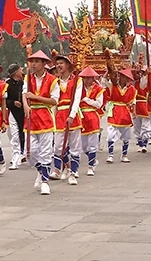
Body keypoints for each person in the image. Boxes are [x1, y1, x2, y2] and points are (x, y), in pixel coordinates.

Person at [24, 51, 59, 195]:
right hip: (31, 117)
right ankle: (40, 171)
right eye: (32, 61)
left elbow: (53, 100)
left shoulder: (52, 80)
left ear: (44, 64)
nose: (34, 64)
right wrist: (26, 105)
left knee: (45, 151)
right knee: (30, 152)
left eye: (37, 61)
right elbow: (24, 94)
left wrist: (36, 97)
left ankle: (45, 181)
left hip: (45, 116)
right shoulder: (28, 78)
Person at [52, 54, 83, 184]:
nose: (59, 66)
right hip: (59, 114)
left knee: (75, 146)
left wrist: (72, 115)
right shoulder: (55, 82)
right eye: (57, 63)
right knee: (58, 146)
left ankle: (73, 172)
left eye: (61, 63)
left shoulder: (77, 80)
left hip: (72, 114)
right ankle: (59, 169)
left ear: (68, 65)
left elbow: (77, 98)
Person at [105, 66, 137, 164]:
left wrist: (134, 111)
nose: (124, 79)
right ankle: (110, 155)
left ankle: (124, 155)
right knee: (110, 134)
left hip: (125, 111)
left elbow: (133, 101)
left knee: (126, 135)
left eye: (126, 77)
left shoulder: (132, 89)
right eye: (122, 76)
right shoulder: (113, 85)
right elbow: (105, 82)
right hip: (114, 110)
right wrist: (108, 73)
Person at [78, 67, 105, 176]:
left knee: (92, 144)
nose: (86, 80)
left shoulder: (98, 89)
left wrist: (87, 100)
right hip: (82, 117)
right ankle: (93, 160)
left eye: (89, 78)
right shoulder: (79, 88)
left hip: (93, 116)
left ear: (93, 78)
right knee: (84, 146)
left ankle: (90, 167)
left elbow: (99, 104)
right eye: (85, 78)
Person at [5, 64, 26, 168]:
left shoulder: (24, 82)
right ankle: (15, 157)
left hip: (25, 111)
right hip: (13, 112)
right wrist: (13, 103)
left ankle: (24, 153)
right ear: (15, 72)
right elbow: (5, 101)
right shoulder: (8, 84)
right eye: (19, 69)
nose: (21, 71)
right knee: (14, 135)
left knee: (24, 134)